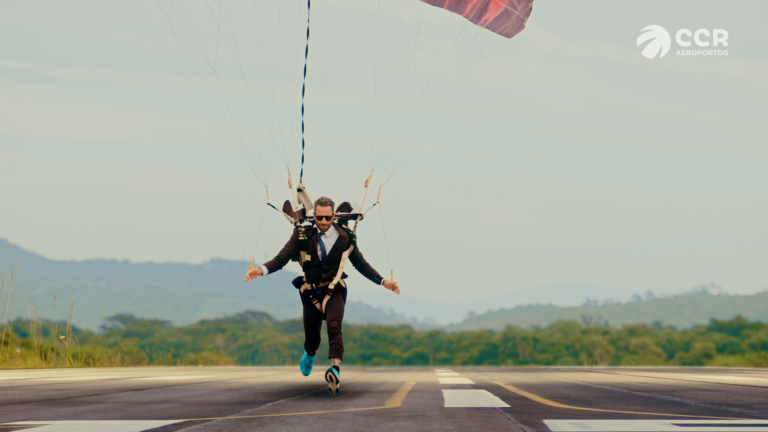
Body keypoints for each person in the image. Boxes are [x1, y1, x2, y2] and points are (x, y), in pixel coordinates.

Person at [244, 196, 401, 393]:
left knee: (335, 325)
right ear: (314, 216)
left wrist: (384, 282)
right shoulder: (302, 234)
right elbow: (281, 258)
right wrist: (260, 271)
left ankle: (335, 370)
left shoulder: (346, 237)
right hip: (310, 292)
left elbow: (361, 264)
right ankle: (309, 353)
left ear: (333, 216)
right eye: (319, 218)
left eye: (327, 218)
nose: (323, 222)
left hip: (334, 289)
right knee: (313, 339)